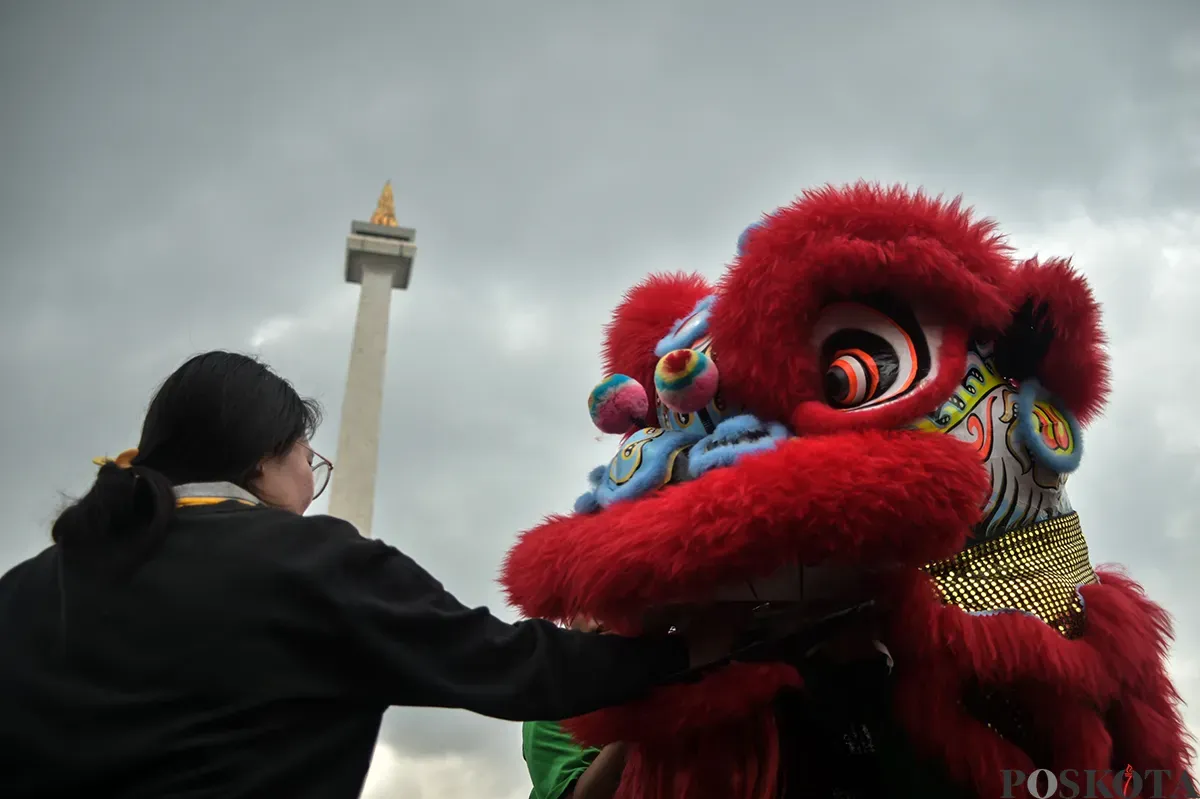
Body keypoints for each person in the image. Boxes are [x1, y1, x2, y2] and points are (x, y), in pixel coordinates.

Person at [0, 351, 735, 799]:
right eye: (308, 462)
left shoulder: (27, 587)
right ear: (265, 456)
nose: (310, 483)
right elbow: (511, 666)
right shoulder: (313, 563)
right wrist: (682, 651)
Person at [523, 619, 628, 799]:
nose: (597, 623)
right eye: (582, 604)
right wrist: (637, 727)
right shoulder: (551, 703)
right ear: (567, 618)